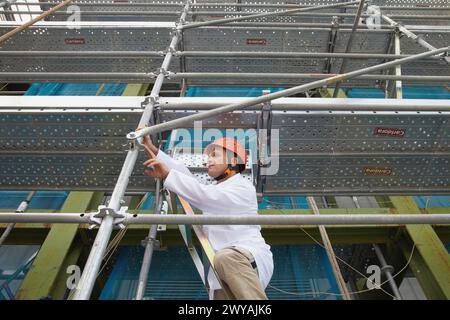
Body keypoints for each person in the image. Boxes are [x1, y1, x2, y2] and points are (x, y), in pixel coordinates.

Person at [141, 134, 273, 300]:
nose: (207, 161)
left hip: (241, 258)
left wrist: (167, 175)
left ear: (233, 161)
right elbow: (185, 176)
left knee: (226, 258)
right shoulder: (219, 188)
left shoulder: (242, 188)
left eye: (214, 155)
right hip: (221, 271)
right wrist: (152, 149)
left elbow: (203, 195)